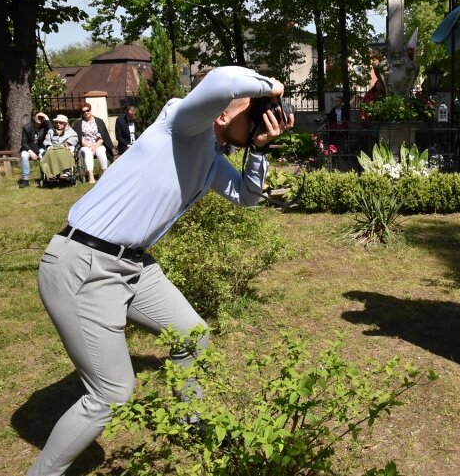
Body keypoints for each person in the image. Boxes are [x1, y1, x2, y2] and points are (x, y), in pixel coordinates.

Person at [27, 66, 293, 476]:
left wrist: (258, 148)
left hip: (133, 264)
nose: (262, 115)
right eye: (254, 110)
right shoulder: (180, 124)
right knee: (111, 393)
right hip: (85, 263)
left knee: (193, 335)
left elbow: (246, 196)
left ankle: (190, 421)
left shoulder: (211, 155)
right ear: (221, 113)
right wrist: (272, 85)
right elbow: (222, 80)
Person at [73, 102, 114, 183]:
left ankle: (105, 173)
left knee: (101, 150)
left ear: (90, 110)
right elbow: (80, 139)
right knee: (88, 152)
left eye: (87, 110)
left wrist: (95, 147)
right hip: (85, 145)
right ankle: (91, 177)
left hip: (98, 144)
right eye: (83, 111)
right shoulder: (78, 123)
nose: (86, 113)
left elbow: (103, 137)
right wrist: (90, 147)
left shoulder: (99, 121)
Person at [40, 115, 79, 183]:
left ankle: (66, 171)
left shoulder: (71, 131)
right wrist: (49, 146)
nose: (58, 124)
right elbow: (47, 140)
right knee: (49, 153)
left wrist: (68, 143)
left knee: (63, 152)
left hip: (64, 148)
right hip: (53, 148)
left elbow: (75, 138)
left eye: (61, 122)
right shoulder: (51, 131)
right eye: (56, 122)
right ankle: (51, 173)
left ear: (65, 124)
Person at [19, 111, 50, 187]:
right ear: (34, 117)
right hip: (28, 148)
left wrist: (47, 118)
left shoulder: (45, 126)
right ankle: (25, 180)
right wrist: (31, 152)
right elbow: (24, 142)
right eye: (38, 116)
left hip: (40, 148)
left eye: (42, 117)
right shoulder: (27, 127)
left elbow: (52, 130)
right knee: (24, 155)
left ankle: (44, 177)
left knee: (44, 156)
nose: (40, 118)